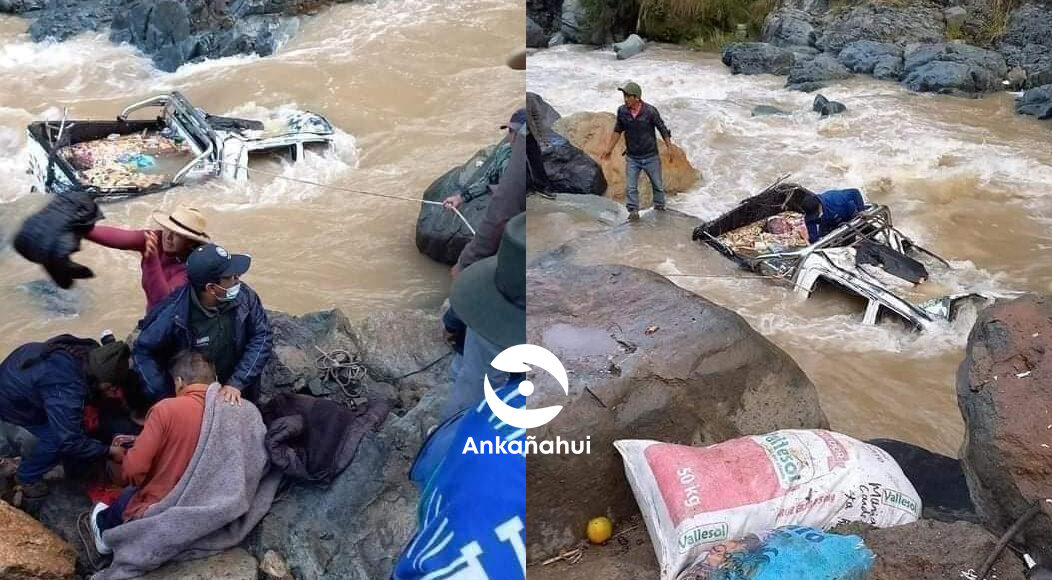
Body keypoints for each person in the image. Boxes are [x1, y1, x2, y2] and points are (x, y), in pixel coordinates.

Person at [88, 351, 214, 555]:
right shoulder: (235, 407)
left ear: (179, 382)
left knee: (130, 494)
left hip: (170, 501)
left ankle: (103, 532)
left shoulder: (166, 409)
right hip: (212, 496)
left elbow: (133, 470)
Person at [132, 243, 272, 405]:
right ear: (211, 288)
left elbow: (261, 336)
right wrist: (167, 397)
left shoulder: (245, 296)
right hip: (195, 397)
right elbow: (142, 351)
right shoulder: (174, 314)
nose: (237, 278)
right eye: (231, 276)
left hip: (238, 388)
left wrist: (237, 382)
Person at [0, 337, 131, 503]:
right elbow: (69, 441)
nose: (114, 391)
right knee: (56, 440)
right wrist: (109, 451)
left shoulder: (86, 352)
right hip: (12, 401)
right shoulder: (67, 387)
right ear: (101, 380)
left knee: (73, 424)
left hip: (22, 373)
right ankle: (27, 477)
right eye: (111, 387)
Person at [442, 212, 526, 420]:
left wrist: (450, 323)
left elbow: (499, 211)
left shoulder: (512, 258)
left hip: (505, 304)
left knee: (475, 380)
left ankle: (454, 429)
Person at [85, 207, 211, 313]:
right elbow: (122, 237)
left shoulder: (192, 267)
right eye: (168, 229)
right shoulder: (156, 238)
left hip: (176, 325)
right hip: (154, 318)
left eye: (178, 234)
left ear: (190, 242)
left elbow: (162, 303)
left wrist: (152, 261)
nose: (168, 237)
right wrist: (81, 229)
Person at [599, 81, 674, 221]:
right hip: (632, 157)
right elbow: (617, 130)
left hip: (651, 156)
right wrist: (609, 148)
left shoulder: (650, 111)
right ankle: (633, 212)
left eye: (628, 96)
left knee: (657, 185)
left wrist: (669, 147)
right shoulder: (622, 111)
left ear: (637, 97)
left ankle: (660, 207)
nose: (625, 99)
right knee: (631, 187)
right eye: (624, 96)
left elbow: (662, 128)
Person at [442, 110, 524, 211]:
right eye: (511, 131)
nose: (514, 138)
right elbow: (487, 179)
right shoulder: (504, 150)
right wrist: (460, 198)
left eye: (519, 134)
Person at [800, 188, 867, 244]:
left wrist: (862, 210)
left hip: (849, 214)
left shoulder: (834, 197)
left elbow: (855, 192)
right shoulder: (810, 215)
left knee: (848, 237)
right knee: (824, 239)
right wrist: (814, 241)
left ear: (819, 206)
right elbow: (811, 228)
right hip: (829, 222)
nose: (814, 217)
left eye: (816, 215)